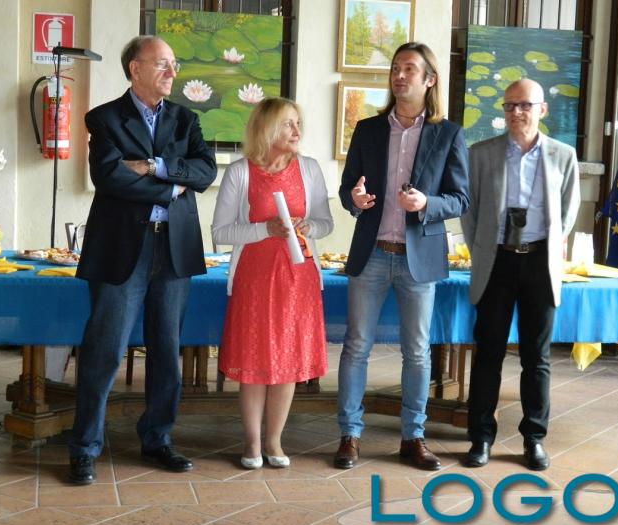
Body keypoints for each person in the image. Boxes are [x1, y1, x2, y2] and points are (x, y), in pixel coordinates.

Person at [68, 35, 217, 485]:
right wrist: (173, 186)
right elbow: (110, 178)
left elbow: (205, 172)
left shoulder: (186, 119)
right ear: (135, 68)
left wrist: (154, 167)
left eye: (174, 64)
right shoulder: (105, 118)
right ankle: (85, 448)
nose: (173, 72)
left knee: (167, 351)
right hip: (121, 250)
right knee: (104, 351)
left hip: (173, 249)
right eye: (163, 64)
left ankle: (157, 439)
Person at [334, 42, 469, 471]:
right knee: (356, 346)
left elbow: (460, 199)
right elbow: (347, 190)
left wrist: (427, 203)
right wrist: (355, 199)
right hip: (371, 253)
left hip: (418, 258)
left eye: (410, 68)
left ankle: (413, 437)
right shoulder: (368, 129)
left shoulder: (448, 134)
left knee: (417, 352)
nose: (400, 75)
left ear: (429, 80)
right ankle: (350, 435)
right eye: (395, 67)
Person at [462, 78, 580, 471]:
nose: (517, 112)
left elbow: (568, 211)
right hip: (496, 262)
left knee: (536, 357)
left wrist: (547, 246)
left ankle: (534, 438)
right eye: (510, 105)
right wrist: (483, 250)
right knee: (488, 354)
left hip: (539, 263)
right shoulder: (481, 154)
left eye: (525, 105)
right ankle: (480, 437)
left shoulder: (563, 155)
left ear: (542, 110)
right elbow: (470, 212)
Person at [212, 97, 333, 469]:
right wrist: (265, 229)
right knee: (254, 359)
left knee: (288, 359)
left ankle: (274, 441)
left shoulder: (309, 169)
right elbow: (220, 231)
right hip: (255, 278)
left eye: (298, 123)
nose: (297, 131)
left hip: (299, 278)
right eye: (287, 124)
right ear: (266, 128)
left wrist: (308, 226)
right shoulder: (240, 172)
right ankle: (252, 443)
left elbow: (325, 223)